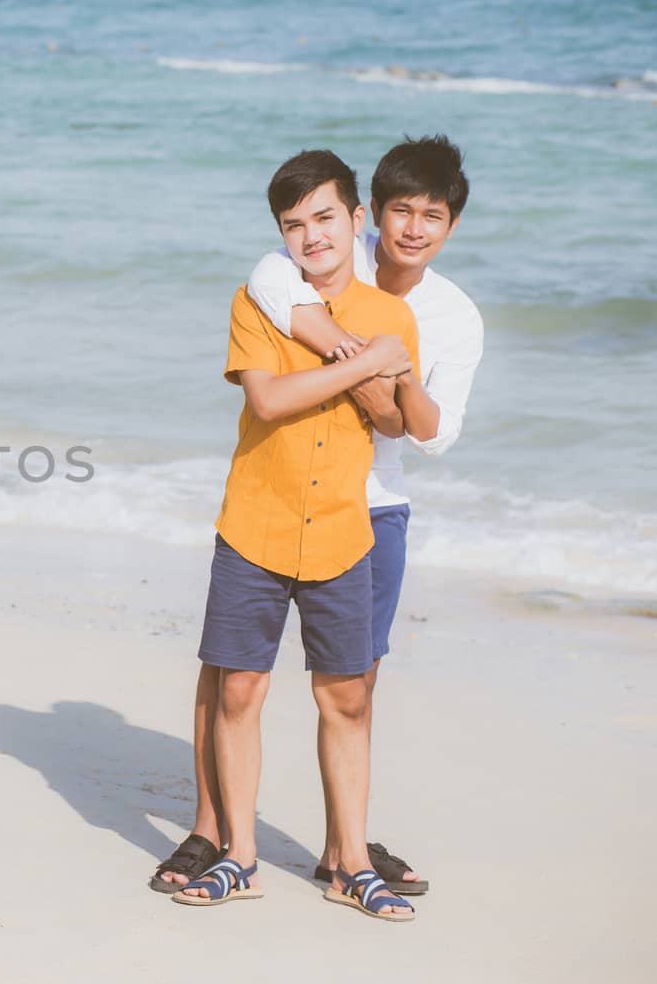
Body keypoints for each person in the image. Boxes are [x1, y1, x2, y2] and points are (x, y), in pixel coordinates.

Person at [150, 137, 483, 902]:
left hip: (371, 508)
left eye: (432, 216)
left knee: (353, 685)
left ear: (451, 226)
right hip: (273, 495)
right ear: (375, 212)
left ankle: (346, 851)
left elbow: (423, 432)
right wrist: (346, 346)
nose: (413, 228)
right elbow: (272, 269)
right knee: (232, 675)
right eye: (401, 210)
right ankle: (217, 832)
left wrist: (385, 374)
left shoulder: (448, 315)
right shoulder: (320, 257)